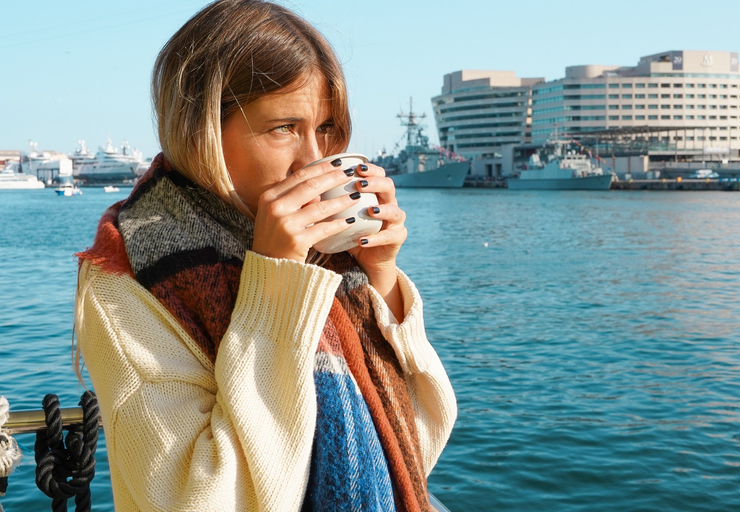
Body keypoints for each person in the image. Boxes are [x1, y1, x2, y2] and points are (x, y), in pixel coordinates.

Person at [74, 1, 456, 511]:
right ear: (201, 127)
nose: (314, 159)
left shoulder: (329, 260)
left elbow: (416, 451)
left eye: (326, 128)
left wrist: (383, 278)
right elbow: (200, 500)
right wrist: (276, 287)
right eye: (283, 128)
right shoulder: (129, 272)